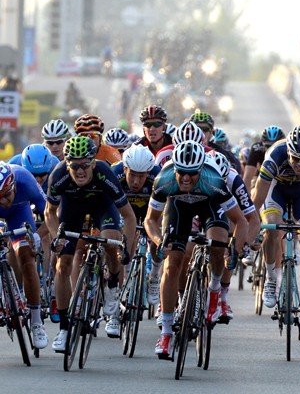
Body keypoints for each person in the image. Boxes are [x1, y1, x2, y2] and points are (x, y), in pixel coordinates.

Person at [145, 141, 248, 359]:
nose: (185, 178)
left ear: (200, 169)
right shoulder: (164, 180)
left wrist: (234, 249)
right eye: (181, 172)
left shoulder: (214, 181)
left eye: (191, 174)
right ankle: (165, 334)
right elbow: (150, 220)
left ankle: (213, 289)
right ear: (175, 169)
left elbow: (241, 222)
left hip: (209, 204)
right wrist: (158, 240)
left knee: (218, 245)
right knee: (172, 266)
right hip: (178, 207)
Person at [45, 136, 137, 350]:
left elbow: (130, 217)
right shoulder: (58, 175)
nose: (79, 171)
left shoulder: (105, 174)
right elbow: (49, 212)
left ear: (93, 163)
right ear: (67, 164)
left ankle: (112, 289)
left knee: (111, 243)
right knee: (63, 264)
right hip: (71, 209)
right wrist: (55, 236)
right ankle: (65, 329)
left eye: (85, 165)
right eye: (74, 166)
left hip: (102, 206)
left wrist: (127, 248)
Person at [251, 126, 300, 339]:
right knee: (271, 228)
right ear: (288, 152)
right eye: (296, 158)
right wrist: (253, 226)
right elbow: (258, 198)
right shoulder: (274, 157)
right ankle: (270, 279)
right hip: (275, 190)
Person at [0, 162, 50, 350]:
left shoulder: (24, 179)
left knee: (27, 257)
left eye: (7, 195)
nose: (5, 202)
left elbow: (51, 214)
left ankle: (36, 321)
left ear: (13, 185)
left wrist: (38, 235)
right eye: (0, 198)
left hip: (19, 213)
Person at [206, 151, 261, 320]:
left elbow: (253, 220)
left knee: (230, 244)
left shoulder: (234, 180)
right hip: (201, 205)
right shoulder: (197, 175)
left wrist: (243, 245)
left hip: (227, 208)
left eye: (221, 183)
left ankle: (222, 297)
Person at [111, 144, 162, 306]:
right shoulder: (114, 173)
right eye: (132, 175)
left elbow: (166, 207)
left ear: (148, 172)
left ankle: (154, 276)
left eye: (142, 177)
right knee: (124, 241)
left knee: (158, 236)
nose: (136, 182)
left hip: (150, 209)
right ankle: (126, 277)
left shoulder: (158, 176)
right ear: (125, 169)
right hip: (125, 210)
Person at [190, 111, 242, 175]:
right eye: (197, 128)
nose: (201, 132)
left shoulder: (223, 153)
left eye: (205, 129)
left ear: (211, 132)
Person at [242, 125, 286, 190]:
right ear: (262, 144)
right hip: (262, 177)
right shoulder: (257, 148)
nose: (272, 150)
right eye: (268, 146)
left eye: (276, 146)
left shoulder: (288, 150)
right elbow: (247, 177)